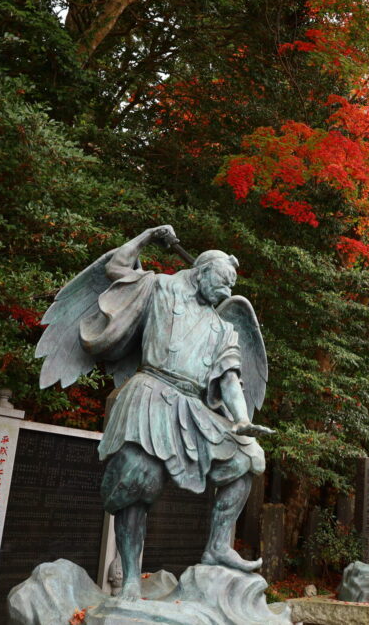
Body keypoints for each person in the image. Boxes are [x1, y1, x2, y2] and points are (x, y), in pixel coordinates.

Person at [37, 225, 273, 599]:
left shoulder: (222, 327)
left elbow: (229, 379)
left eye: (231, 286)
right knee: (137, 481)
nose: (228, 292)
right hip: (149, 392)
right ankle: (130, 577)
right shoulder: (160, 288)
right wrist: (146, 236)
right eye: (223, 282)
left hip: (192, 406)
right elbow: (117, 268)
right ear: (201, 271)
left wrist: (241, 420)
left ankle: (218, 545)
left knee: (247, 457)